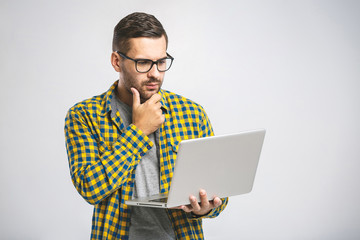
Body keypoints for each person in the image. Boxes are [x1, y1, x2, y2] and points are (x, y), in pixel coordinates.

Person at [64, 12, 228, 240]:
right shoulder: (84, 115)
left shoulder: (192, 114)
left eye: (161, 62)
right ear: (116, 61)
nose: (155, 74)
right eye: (143, 63)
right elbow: (90, 188)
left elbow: (218, 193)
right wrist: (138, 132)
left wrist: (208, 207)